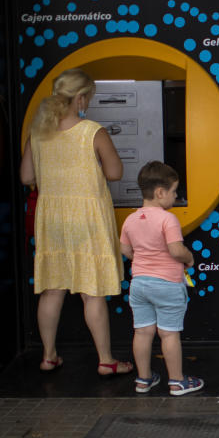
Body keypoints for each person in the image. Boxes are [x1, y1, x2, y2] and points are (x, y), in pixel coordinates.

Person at [19, 68, 133, 376]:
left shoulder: (38, 131)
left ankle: (48, 355)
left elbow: (26, 177)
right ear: (81, 97)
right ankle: (106, 360)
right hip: (88, 217)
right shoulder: (92, 131)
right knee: (92, 291)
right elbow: (115, 173)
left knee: (51, 290)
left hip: (52, 218)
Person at [120, 161, 204, 396]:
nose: (176, 196)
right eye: (174, 191)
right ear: (160, 193)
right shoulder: (168, 219)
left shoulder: (131, 219)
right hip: (167, 284)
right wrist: (189, 258)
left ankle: (143, 379)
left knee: (142, 332)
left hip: (139, 284)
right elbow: (176, 250)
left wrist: (142, 259)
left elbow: (125, 250)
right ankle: (177, 381)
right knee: (168, 333)